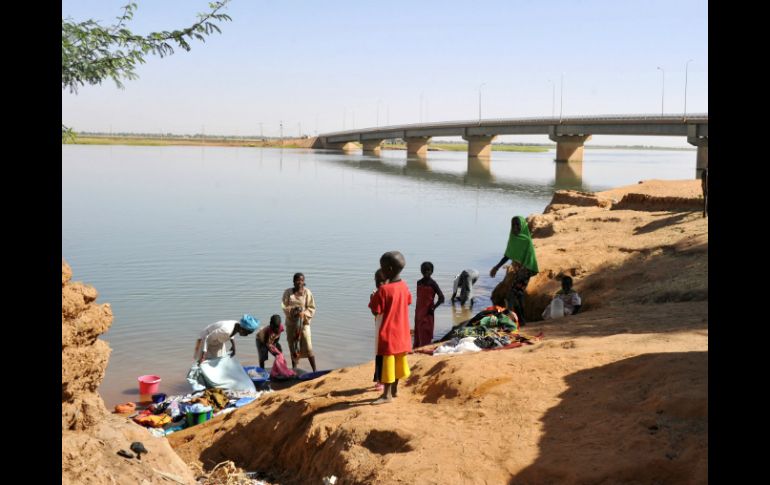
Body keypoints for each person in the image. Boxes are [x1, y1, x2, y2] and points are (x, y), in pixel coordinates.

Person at [369, 251, 412, 404]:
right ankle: (395, 390)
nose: (381, 270)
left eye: (382, 267)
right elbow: (408, 301)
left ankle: (386, 395)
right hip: (402, 332)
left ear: (389, 269)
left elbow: (376, 310)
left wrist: (374, 297)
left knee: (388, 364)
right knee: (399, 362)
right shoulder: (404, 285)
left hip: (389, 332)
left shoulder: (384, 290)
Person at [489, 215, 539, 325]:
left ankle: (513, 320)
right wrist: (496, 267)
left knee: (511, 295)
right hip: (519, 271)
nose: (515, 227)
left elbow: (529, 259)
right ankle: (522, 320)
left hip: (526, 269)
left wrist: (522, 269)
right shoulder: (513, 238)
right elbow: (508, 255)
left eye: (518, 224)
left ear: (522, 226)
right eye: (513, 224)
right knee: (519, 294)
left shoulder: (526, 240)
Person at [282, 272, 317, 372]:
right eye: (297, 280)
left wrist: (303, 313)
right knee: (293, 346)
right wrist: (292, 311)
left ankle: (315, 370)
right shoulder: (288, 292)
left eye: (301, 280)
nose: (299, 282)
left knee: (308, 345)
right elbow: (284, 306)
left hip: (304, 323)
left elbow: (312, 308)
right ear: (293, 282)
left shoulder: (307, 293)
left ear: (304, 281)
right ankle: (294, 369)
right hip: (291, 324)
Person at [193, 314, 260, 364]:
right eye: (247, 333)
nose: (246, 335)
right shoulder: (226, 330)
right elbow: (207, 339)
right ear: (242, 329)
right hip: (206, 340)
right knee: (203, 362)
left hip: (217, 340)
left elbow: (232, 333)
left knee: (219, 361)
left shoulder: (237, 325)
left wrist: (233, 347)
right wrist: (203, 356)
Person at [414, 262, 445, 348]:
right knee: (418, 331)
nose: (426, 272)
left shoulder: (433, 284)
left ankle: (425, 348)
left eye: (428, 270)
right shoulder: (419, 283)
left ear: (432, 271)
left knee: (426, 331)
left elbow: (442, 298)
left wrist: (434, 307)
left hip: (428, 312)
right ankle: (417, 347)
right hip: (418, 312)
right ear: (421, 271)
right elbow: (418, 298)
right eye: (424, 270)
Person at [371, 269, 388, 392]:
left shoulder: (384, 293)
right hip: (380, 324)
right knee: (380, 352)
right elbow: (375, 313)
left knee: (384, 353)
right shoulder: (377, 293)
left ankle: (382, 380)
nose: (379, 283)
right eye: (377, 281)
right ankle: (380, 379)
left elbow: (376, 311)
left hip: (385, 325)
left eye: (381, 281)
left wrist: (373, 301)